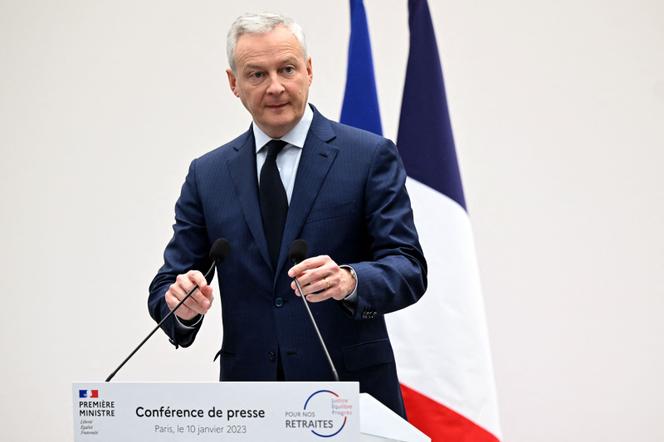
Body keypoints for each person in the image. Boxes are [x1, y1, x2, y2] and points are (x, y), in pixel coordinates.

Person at [148, 12, 427, 418]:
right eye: (257, 74)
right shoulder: (207, 175)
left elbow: (409, 268)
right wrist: (181, 305)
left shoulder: (368, 157)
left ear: (309, 71)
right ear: (234, 84)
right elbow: (166, 287)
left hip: (351, 397)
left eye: (287, 69)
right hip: (250, 407)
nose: (275, 86)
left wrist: (349, 280)